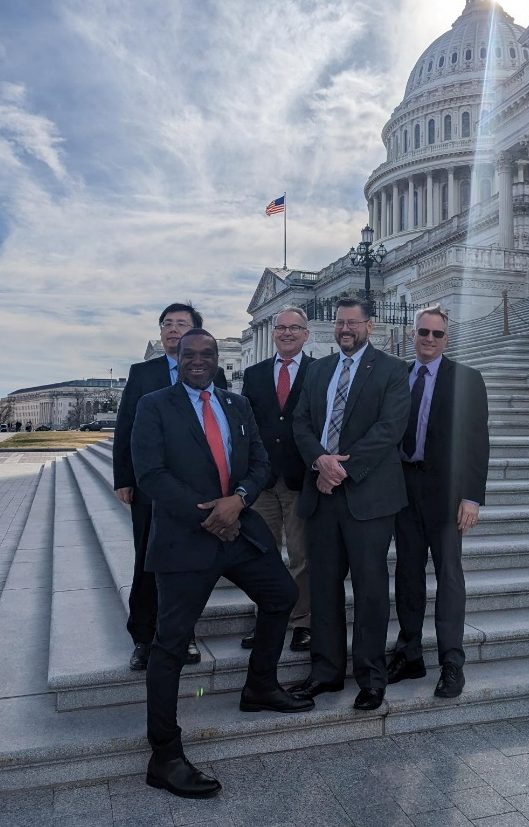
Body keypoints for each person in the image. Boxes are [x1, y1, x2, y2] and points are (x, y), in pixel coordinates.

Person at [131, 328, 313, 799]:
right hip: (186, 539)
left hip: (239, 530)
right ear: (178, 356)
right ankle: (164, 754)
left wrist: (239, 500)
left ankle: (260, 686)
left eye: (206, 353)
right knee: (169, 644)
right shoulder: (155, 405)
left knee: (283, 596)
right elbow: (151, 474)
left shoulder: (235, 404)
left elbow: (259, 461)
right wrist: (212, 513)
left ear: (217, 359)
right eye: (189, 353)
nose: (197, 360)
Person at [291, 297, 410, 711]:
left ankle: (371, 678)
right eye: (340, 323)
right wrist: (319, 461)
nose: (345, 329)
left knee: (370, 590)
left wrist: (343, 467)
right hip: (321, 495)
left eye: (353, 323)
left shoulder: (394, 370)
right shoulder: (318, 370)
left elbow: (390, 428)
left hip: (369, 498)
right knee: (323, 589)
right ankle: (324, 672)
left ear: (370, 326)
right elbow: (301, 422)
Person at [113, 302, 227, 670]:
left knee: (187, 563)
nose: (172, 330)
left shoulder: (214, 374)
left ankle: (184, 632)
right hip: (151, 488)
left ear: (196, 332)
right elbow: (125, 427)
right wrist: (124, 478)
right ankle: (144, 637)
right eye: (167, 324)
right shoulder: (143, 372)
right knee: (147, 560)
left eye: (182, 324)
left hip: (197, 491)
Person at [387, 305, 489, 698]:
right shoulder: (398, 376)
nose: (429, 340)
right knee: (408, 575)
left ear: (447, 338)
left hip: (447, 495)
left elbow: (477, 442)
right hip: (403, 490)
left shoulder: (467, 379)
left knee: (449, 578)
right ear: (412, 334)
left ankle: (451, 662)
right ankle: (409, 653)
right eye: (423, 333)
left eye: (437, 334)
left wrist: (472, 497)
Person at [241, 306, 314, 652]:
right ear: (273, 333)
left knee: (302, 555)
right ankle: (266, 619)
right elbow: (245, 428)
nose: (286, 333)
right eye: (281, 328)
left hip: (301, 478)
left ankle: (302, 622)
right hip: (262, 480)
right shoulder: (254, 375)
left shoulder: (318, 371)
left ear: (306, 334)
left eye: (294, 328)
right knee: (262, 555)